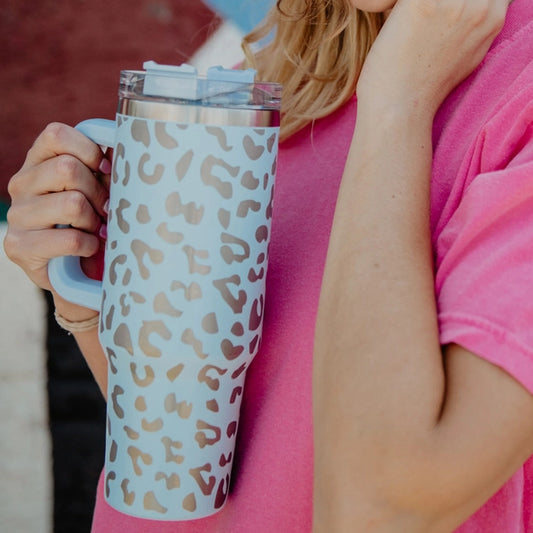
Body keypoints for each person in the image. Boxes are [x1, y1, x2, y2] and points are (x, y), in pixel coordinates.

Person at [4, 0, 533, 530]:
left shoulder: (516, 87)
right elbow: (189, 447)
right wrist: (82, 290)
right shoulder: (274, 76)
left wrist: (399, 101)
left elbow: (380, 510)